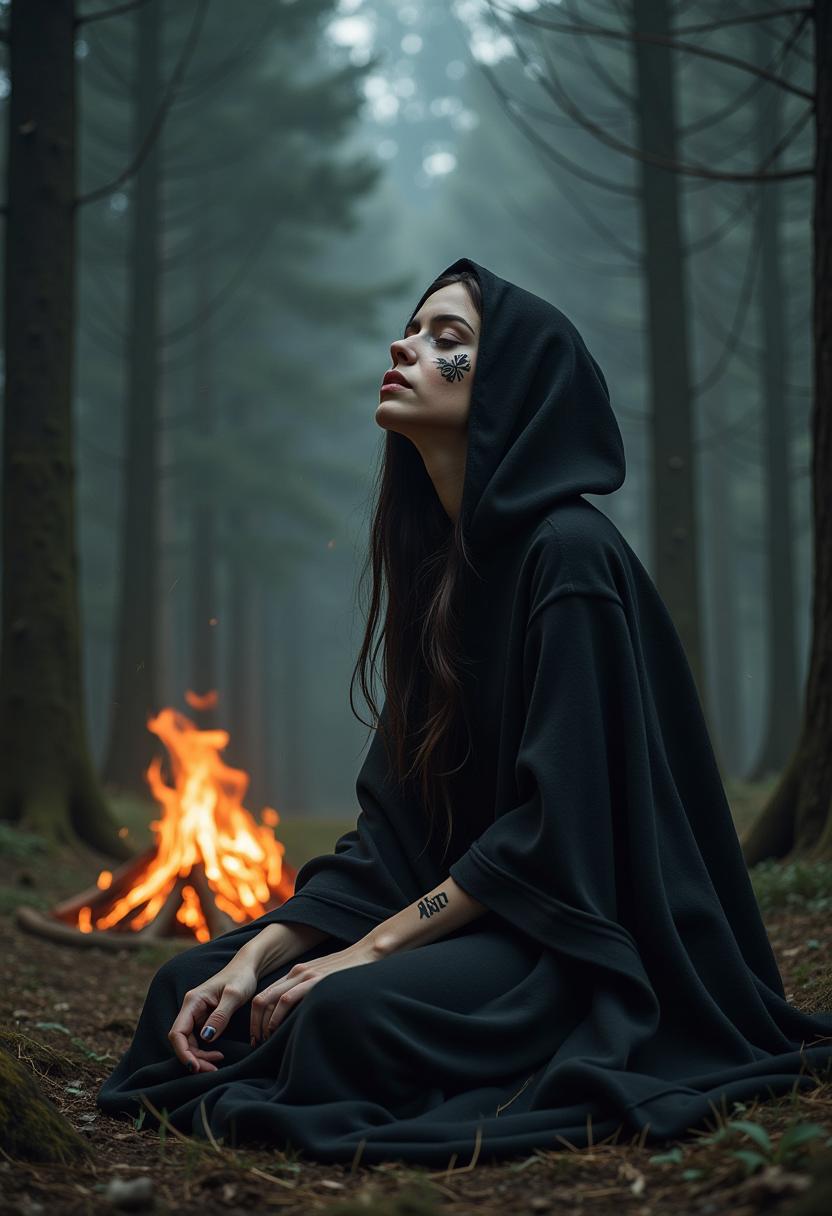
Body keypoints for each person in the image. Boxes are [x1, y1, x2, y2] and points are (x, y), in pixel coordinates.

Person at [96, 257, 832, 1167]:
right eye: (413, 329)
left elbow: (555, 833)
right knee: (192, 981)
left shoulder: (569, 559)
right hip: (472, 920)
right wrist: (264, 953)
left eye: (449, 340)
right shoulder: (438, 569)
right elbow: (395, 828)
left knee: (337, 1015)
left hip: (573, 940)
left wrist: (365, 955)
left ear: (514, 386)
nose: (407, 345)